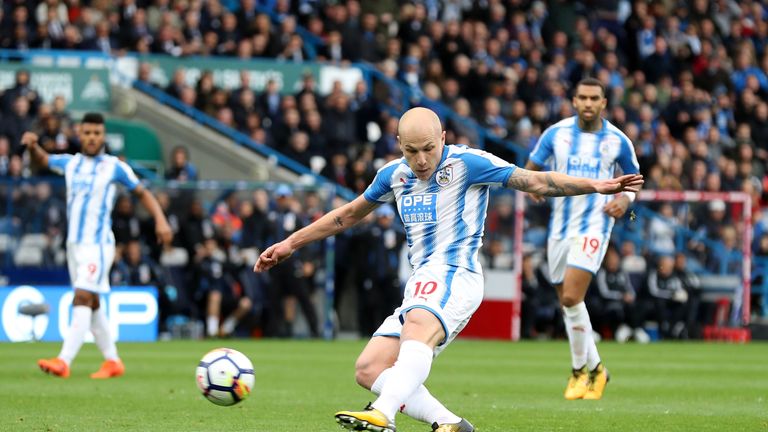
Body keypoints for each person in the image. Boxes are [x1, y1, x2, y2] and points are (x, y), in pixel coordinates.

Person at [253, 107, 642, 431]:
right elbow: (348, 214)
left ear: (443, 136)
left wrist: (596, 186)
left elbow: (535, 180)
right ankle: (449, 423)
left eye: (427, 149)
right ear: (399, 147)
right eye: (410, 151)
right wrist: (290, 243)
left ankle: (382, 415)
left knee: (417, 331)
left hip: (456, 274)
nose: (420, 160)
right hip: (422, 279)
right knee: (369, 368)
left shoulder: (469, 164)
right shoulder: (394, 175)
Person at [22, 112, 173, 379]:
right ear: (80, 134)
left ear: (103, 136)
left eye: (97, 133)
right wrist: (33, 147)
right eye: (87, 133)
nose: (92, 138)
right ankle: (112, 361)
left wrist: (160, 220)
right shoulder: (70, 163)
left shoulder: (114, 166)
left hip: (98, 245)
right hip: (74, 245)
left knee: (81, 296)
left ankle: (63, 360)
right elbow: (43, 160)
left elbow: (142, 192)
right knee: (91, 304)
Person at [524, 77, 641, 400]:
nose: (588, 103)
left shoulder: (618, 140)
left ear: (604, 102)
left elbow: (635, 180)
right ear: (573, 100)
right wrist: (534, 187)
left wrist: (625, 200)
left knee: (572, 298)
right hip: (559, 228)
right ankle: (599, 370)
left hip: (595, 225)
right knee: (570, 305)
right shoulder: (555, 134)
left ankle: (579, 372)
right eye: (582, 97)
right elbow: (531, 169)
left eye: (594, 98)